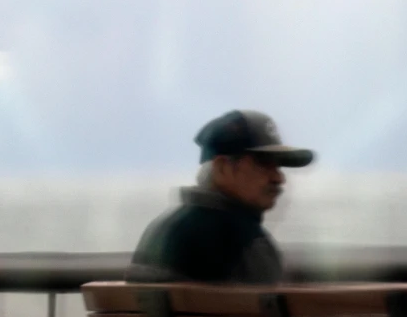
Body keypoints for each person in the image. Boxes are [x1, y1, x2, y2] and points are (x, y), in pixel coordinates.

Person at [127, 110, 314, 284]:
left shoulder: (161, 229)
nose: (278, 178)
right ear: (223, 167)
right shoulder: (246, 243)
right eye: (263, 164)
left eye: (278, 166)